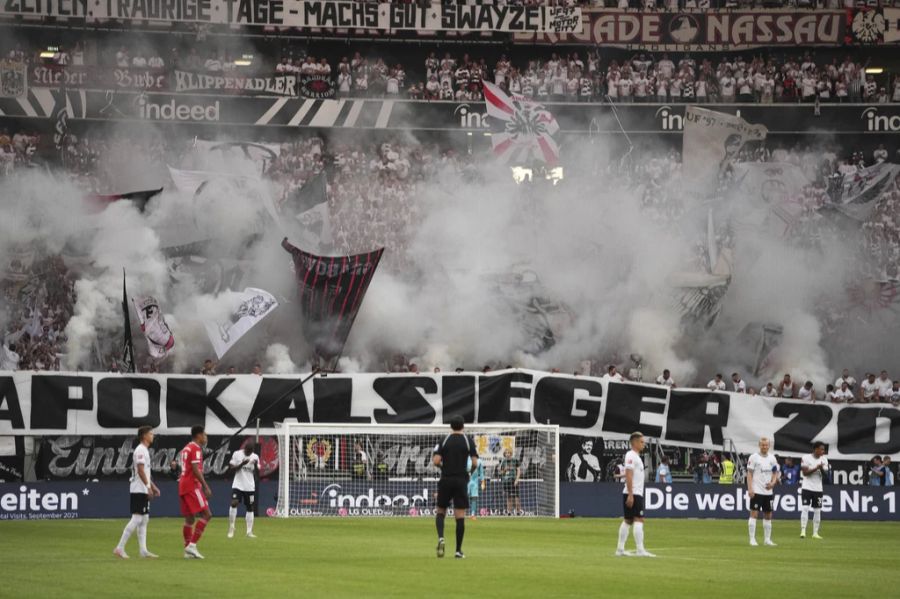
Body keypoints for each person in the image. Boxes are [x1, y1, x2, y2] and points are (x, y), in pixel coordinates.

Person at [432, 415, 478, 559]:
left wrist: (444, 467)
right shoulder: (468, 440)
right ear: (463, 426)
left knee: (441, 511)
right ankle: (458, 551)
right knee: (460, 516)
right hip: (460, 480)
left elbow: (436, 460)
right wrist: (468, 474)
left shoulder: (444, 440)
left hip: (446, 479)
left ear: (450, 426)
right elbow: (475, 463)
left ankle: (441, 538)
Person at [114, 425, 160, 559]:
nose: (153, 436)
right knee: (137, 518)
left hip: (142, 488)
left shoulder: (144, 450)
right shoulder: (140, 450)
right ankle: (119, 547)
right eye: (151, 433)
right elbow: (140, 470)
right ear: (144, 435)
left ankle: (143, 550)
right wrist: (148, 487)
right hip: (138, 489)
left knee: (144, 519)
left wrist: (153, 486)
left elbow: (144, 472)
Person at [616, 431, 654, 557]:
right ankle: (640, 549)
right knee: (639, 519)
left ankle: (620, 549)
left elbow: (631, 474)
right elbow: (629, 474)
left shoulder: (635, 456)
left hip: (633, 492)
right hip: (634, 493)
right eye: (642, 442)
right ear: (635, 442)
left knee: (628, 520)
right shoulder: (631, 455)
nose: (644, 444)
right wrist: (631, 494)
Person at [179, 425, 213, 559]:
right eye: (204, 435)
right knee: (207, 514)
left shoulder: (186, 447)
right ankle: (192, 545)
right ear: (198, 435)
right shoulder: (196, 448)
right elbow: (195, 468)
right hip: (192, 485)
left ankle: (187, 550)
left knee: (189, 519)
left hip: (183, 485)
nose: (205, 438)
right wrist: (205, 486)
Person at [747, 437, 779, 547]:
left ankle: (767, 540)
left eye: (766, 445)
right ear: (759, 445)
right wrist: (750, 488)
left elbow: (775, 473)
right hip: (756, 490)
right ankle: (752, 539)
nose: (764, 447)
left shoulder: (772, 458)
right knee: (754, 514)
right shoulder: (754, 457)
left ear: (769, 446)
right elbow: (749, 474)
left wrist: (773, 482)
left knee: (768, 515)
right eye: (762, 445)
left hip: (768, 492)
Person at [227, 440, 260, 539]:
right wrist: (242, 463)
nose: (248, 453)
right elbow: (231, 469)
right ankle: (231, 527)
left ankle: (249, 532)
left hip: (250, 487)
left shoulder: (255, 457)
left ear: (252, 451)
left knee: (250, 507)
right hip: (238, 485)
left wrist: (255, 465)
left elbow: (258, 474)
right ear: (244, 449)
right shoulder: (237, 454)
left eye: (250, 452)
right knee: (234, 502)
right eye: (247, 451)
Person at [800, 441, 828, 539]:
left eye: (823, 449)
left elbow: (826, 477)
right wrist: (816, 468)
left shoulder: (824, 459)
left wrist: (822, 469)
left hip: (818, 489)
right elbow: (805, 473)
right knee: (805, 508)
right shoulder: (805, 458)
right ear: (815, 449)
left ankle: (815, 533)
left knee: (817, 511)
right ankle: (803, 530)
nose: (823, 451)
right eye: (821, 449)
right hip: (807, 487)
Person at [498, 448, 521, 515]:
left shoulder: (515, 460)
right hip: (506, 481)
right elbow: (500, 473)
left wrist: (517, 479)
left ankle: (518, 511)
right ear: (504, 454)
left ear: (511, 454)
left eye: (509, 453)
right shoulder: (503, 462)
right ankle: (509, 512)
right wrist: (504, 470)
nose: (507, 454)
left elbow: (519, 471)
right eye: (506, 453)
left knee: (516, 497)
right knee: (509, 497)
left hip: (513, 480)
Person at [466, 454, 485, 520]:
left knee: (474, 497)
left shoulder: (479, 461)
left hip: (475, 482)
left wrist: (483, 482)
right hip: (465, 481)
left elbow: (481, 472)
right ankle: (460, 513)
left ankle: (473, 514)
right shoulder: (465, 458)